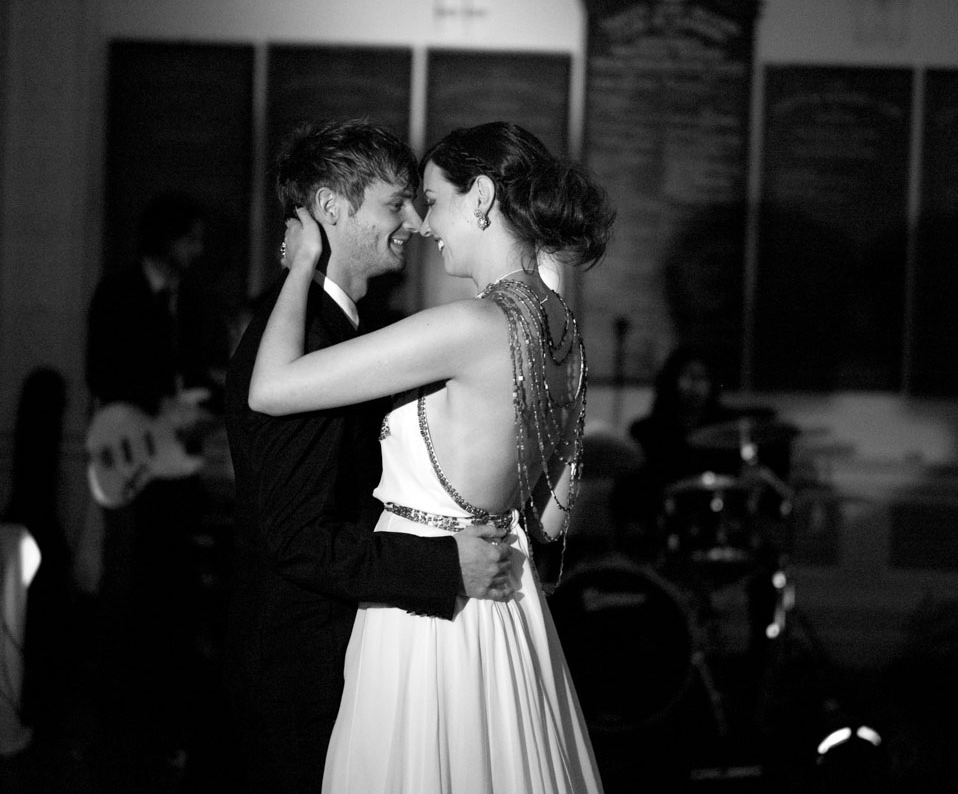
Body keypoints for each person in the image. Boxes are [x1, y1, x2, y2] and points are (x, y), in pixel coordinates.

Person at [248, 121, 614, 793]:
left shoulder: (462, 326)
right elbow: (554, 523)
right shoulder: (563, 330)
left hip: (422, 616)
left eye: (435, 198)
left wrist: (301, 263)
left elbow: (270, 389)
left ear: (479, 199)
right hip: (508, 603)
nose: (423, 222)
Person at [224, 118, 513, 794]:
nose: (412, 221)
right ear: (331, 209)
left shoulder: (345, 331)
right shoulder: (303, 345)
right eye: (393, 203)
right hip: (297, 666)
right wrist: (448, 564)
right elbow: (296, 542)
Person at [84, 192, 221, 776]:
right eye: (190, 238)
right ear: (166, 239)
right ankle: (125, 722)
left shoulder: (188, 302)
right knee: (134, 582)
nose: (198, 249)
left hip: (175, 461)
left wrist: (203, 399)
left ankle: (164, 714)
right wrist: (159, 403)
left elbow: (198, 373)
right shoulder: (118, 293)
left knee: (172, 586)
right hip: (134, 450)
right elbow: (102, 371)